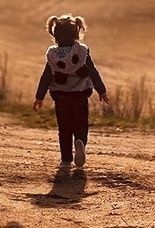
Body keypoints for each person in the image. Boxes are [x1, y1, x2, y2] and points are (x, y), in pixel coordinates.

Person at [33, 13, 110, 173]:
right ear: (77, 33)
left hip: (61, 98)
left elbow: (46, 76)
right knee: (81, 125)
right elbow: (93, 72)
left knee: (64, 129)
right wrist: (101, 91)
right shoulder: (82, 52)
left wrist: (39, 97)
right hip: (80, 96)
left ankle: (66, 160)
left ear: (54, 34)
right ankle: (80, 142)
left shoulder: (52, 56)